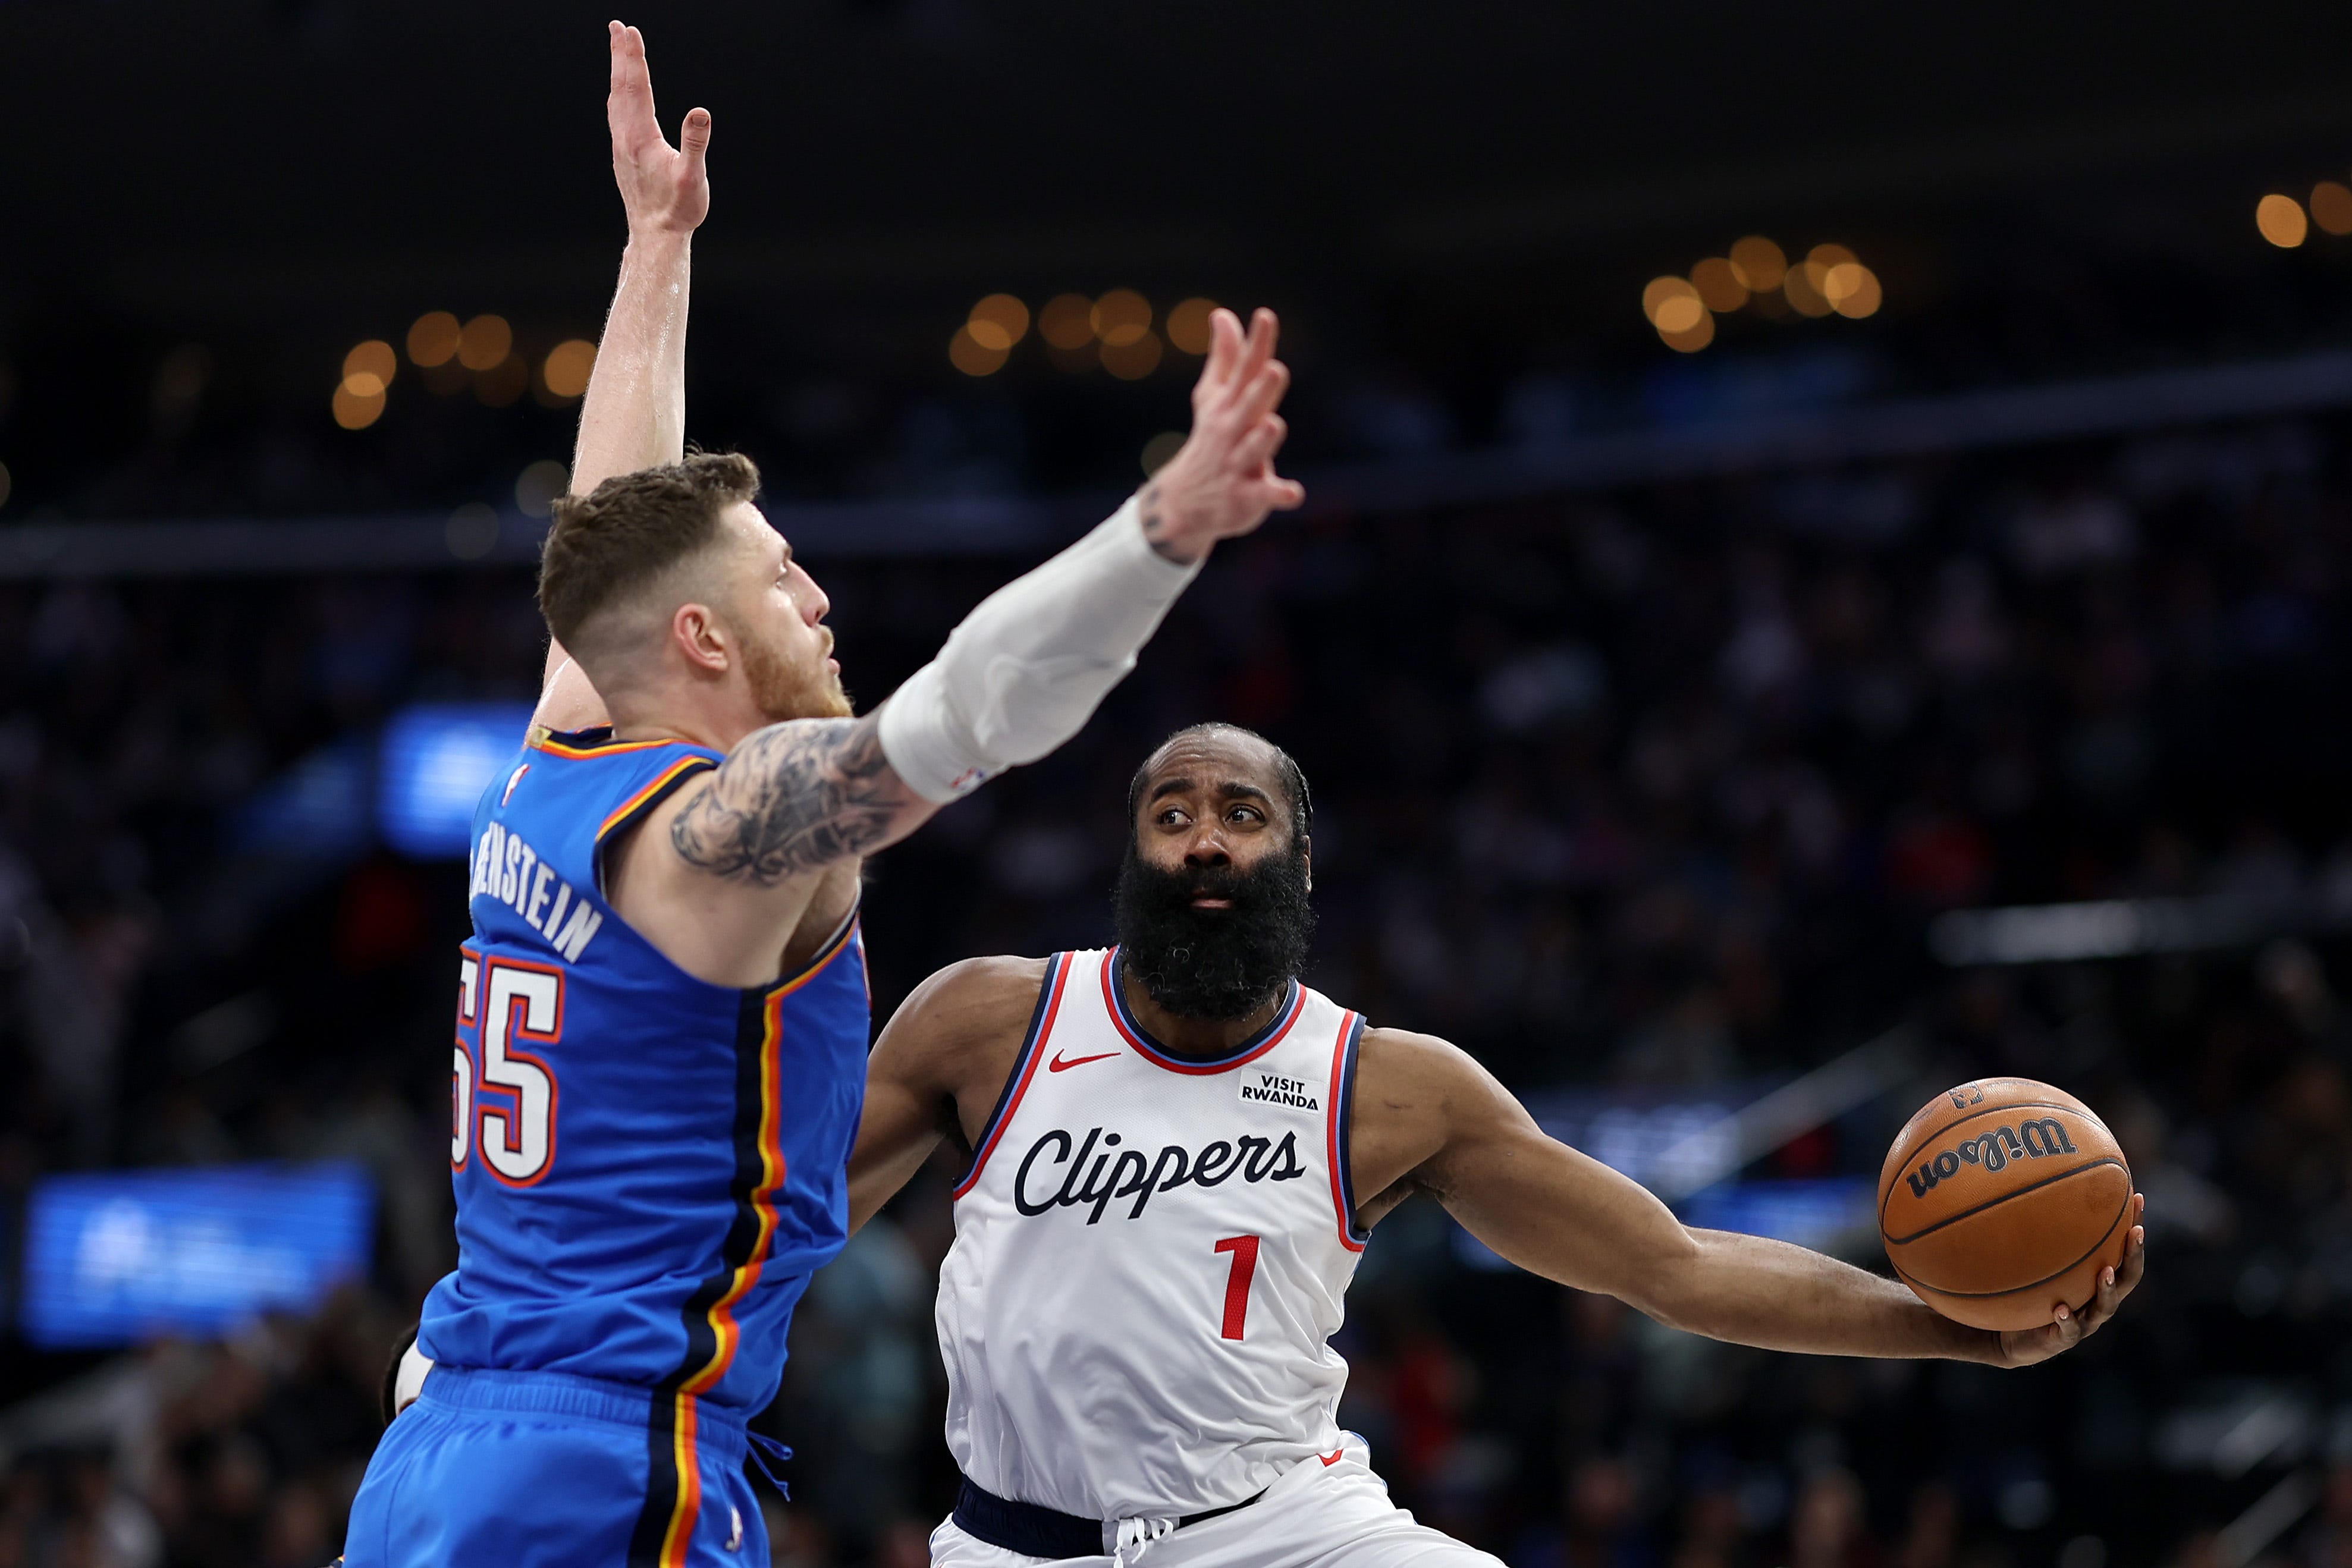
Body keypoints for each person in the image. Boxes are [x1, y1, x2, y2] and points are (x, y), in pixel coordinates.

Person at [340, 23, 1306, 1568]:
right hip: (600, 1467)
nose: (819, 595)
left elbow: (608, 519)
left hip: (439, 1446)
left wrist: (657, 246)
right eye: (783, 580)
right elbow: (968, 711)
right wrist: (1161, 531)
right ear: (704, 639)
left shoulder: (560, 749)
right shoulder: (720, 829)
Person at [848, 722, 2150, 1568]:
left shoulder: (1393, 1088)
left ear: (1299, 862)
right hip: (1014, 1545)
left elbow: (1673, 1264)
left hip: (1285, 1532)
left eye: (1240, 811)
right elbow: (774, 1214)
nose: (1204, 834)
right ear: (1130, 853)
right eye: (1171, 811)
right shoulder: (990, 1017)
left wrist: (1957, 1328)